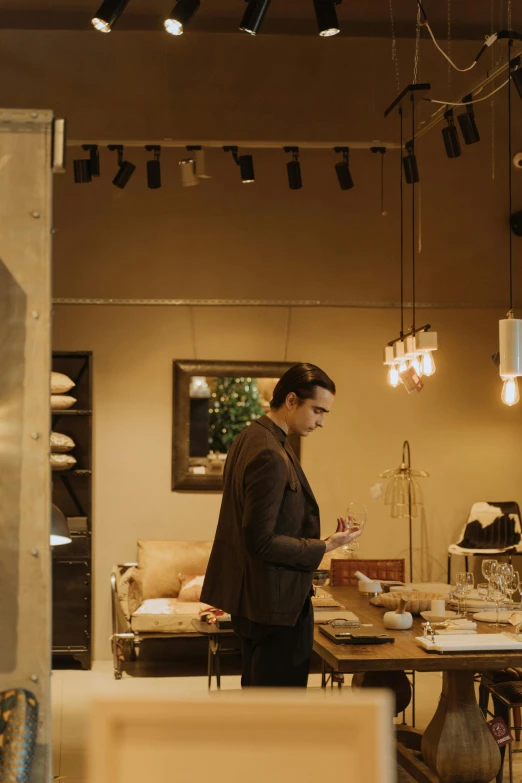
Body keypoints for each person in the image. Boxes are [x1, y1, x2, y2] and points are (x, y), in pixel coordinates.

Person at [201, 363, 362, 687]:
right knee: (277, 709)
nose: (321, 421)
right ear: (291, 400)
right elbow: (259, 540)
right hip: (273, 605)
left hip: (257, 600)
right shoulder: (269, 452)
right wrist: (326, 546)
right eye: (317, 410)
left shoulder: (250, 436)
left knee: (262, 702)